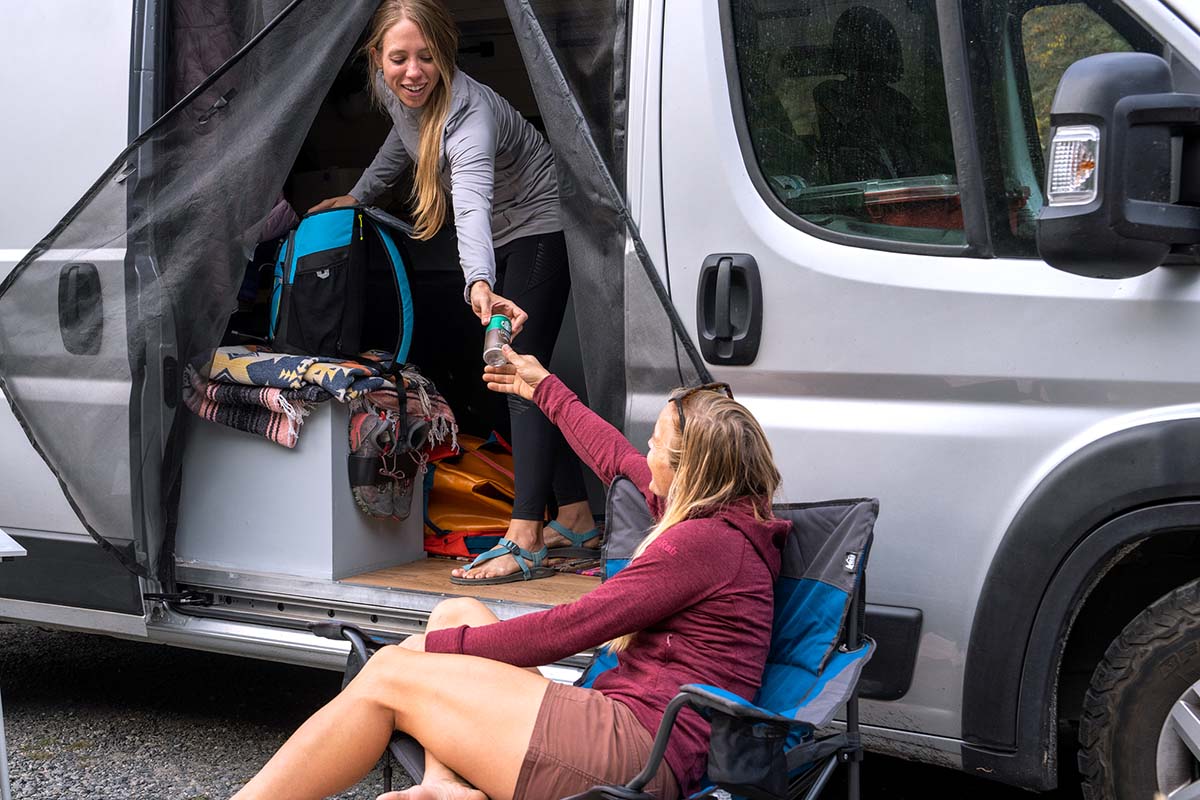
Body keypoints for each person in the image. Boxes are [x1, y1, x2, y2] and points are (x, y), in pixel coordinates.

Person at [231, 344, 790, 800]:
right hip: (625, 723)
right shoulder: (713, 513)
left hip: (637, 752)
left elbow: (569, 628)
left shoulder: (702, 544)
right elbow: (615, 459)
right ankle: (445, 786)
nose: (647, 453)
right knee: (454, 608)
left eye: (657, 446)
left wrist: (437, 649)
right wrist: (541, 386)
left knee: (388, 676)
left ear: (688, 470)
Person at [310, 0, 595, 583]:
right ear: (378, 60)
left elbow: (470, 206)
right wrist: (360, 196)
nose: (413, 70)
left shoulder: (472, 118)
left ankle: (526, 537)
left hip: (539, 226)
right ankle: (577, 516)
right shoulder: (401, 95)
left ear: (445, 55)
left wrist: (479, 284)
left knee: (517, 373)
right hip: (498, 236)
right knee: (520, 375)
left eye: (427, 57)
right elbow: (403, 141)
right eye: (399, 58)